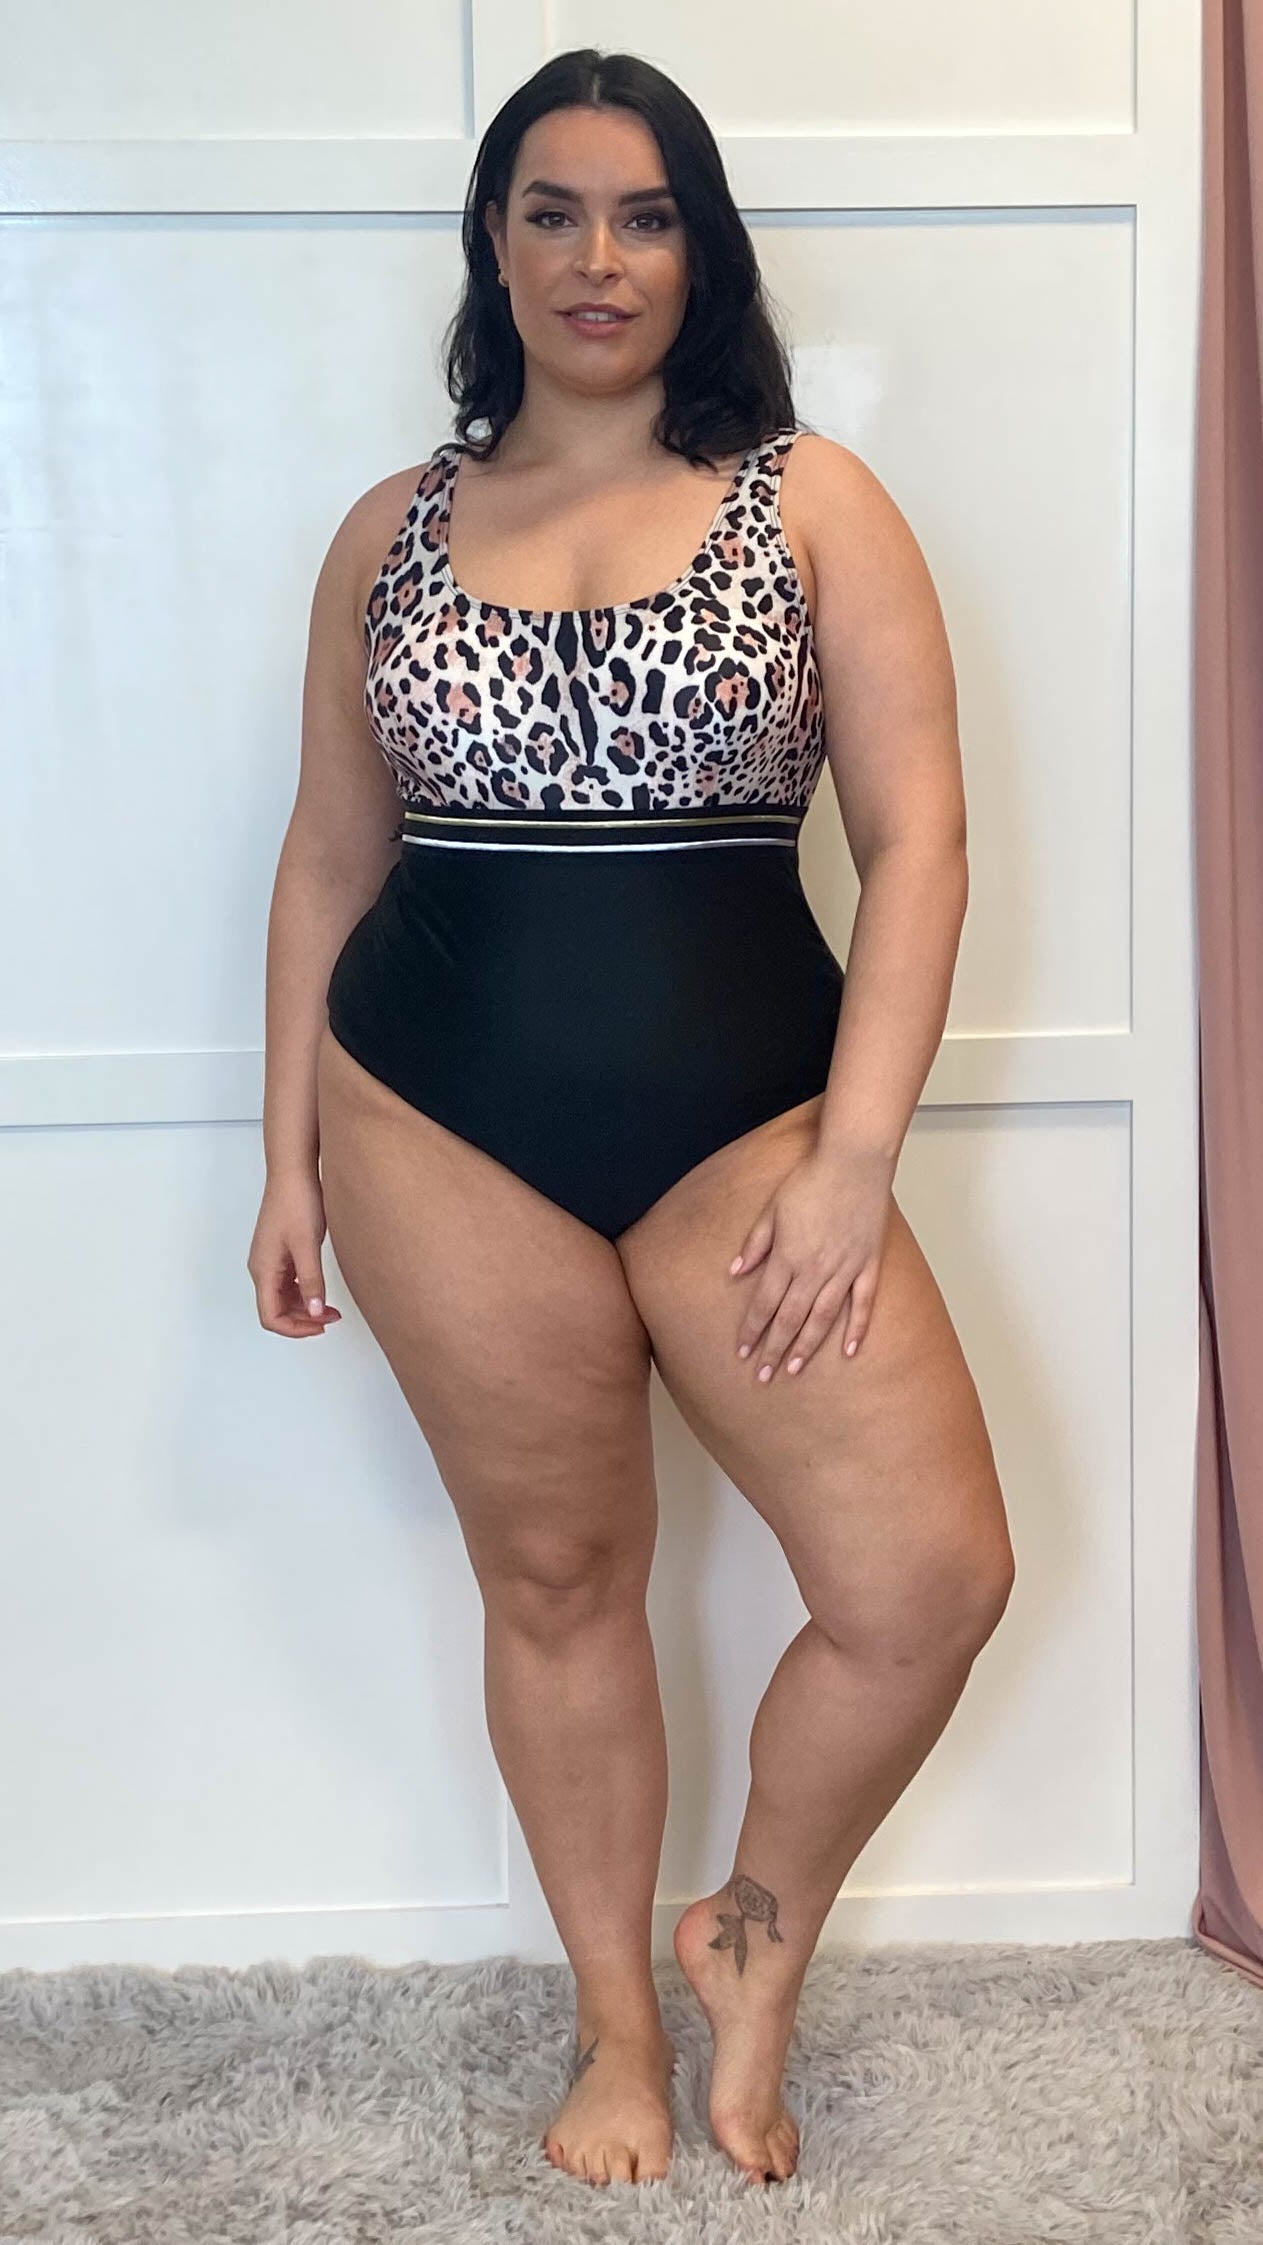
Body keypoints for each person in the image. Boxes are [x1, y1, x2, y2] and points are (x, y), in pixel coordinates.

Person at [247, 44, 1014, 2195]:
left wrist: (854, 1159)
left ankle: (743, 1938)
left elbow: (921, 843)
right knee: (560, 1572)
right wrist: (287, 1155)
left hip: (752, 1126)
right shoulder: (387, 533)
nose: (601, 256)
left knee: (925, 1580)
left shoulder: (814, 499)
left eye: (648, 213)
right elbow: (328, 855)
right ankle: (612, 2024)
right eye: (555, 211)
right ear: (493, 246)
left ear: (703, 249)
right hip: (432, 1117)